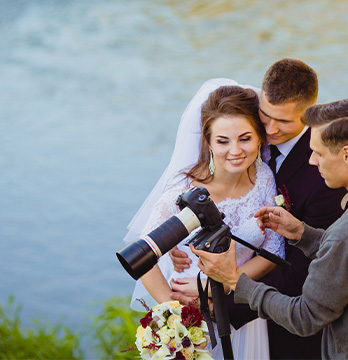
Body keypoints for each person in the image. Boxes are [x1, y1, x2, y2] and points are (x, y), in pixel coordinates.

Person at [191, 98, 348, 359]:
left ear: (347, 155)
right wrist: (303, 233)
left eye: (318, 153)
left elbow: (304, 318)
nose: (313, 161)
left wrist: (236, 280)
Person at [169, 58, 347, 359]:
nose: (271, 129)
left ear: (310, 114)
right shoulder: (245, 137)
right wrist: (178, 240)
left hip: (280, 324)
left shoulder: (324, 177)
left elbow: (302, 274)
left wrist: (219, 298)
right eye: (265, 116)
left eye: (285, 122)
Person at [122, 80, 285, 359]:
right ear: (208, 142)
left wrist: (218, 285)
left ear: (260, 137)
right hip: (194, 316)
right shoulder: (185, 189)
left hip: (244, 313)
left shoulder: (265, 180)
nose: (235, 151)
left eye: (244, 138)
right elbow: (142, 255)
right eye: (222, 141)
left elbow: (273, 252)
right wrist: (174, 311)